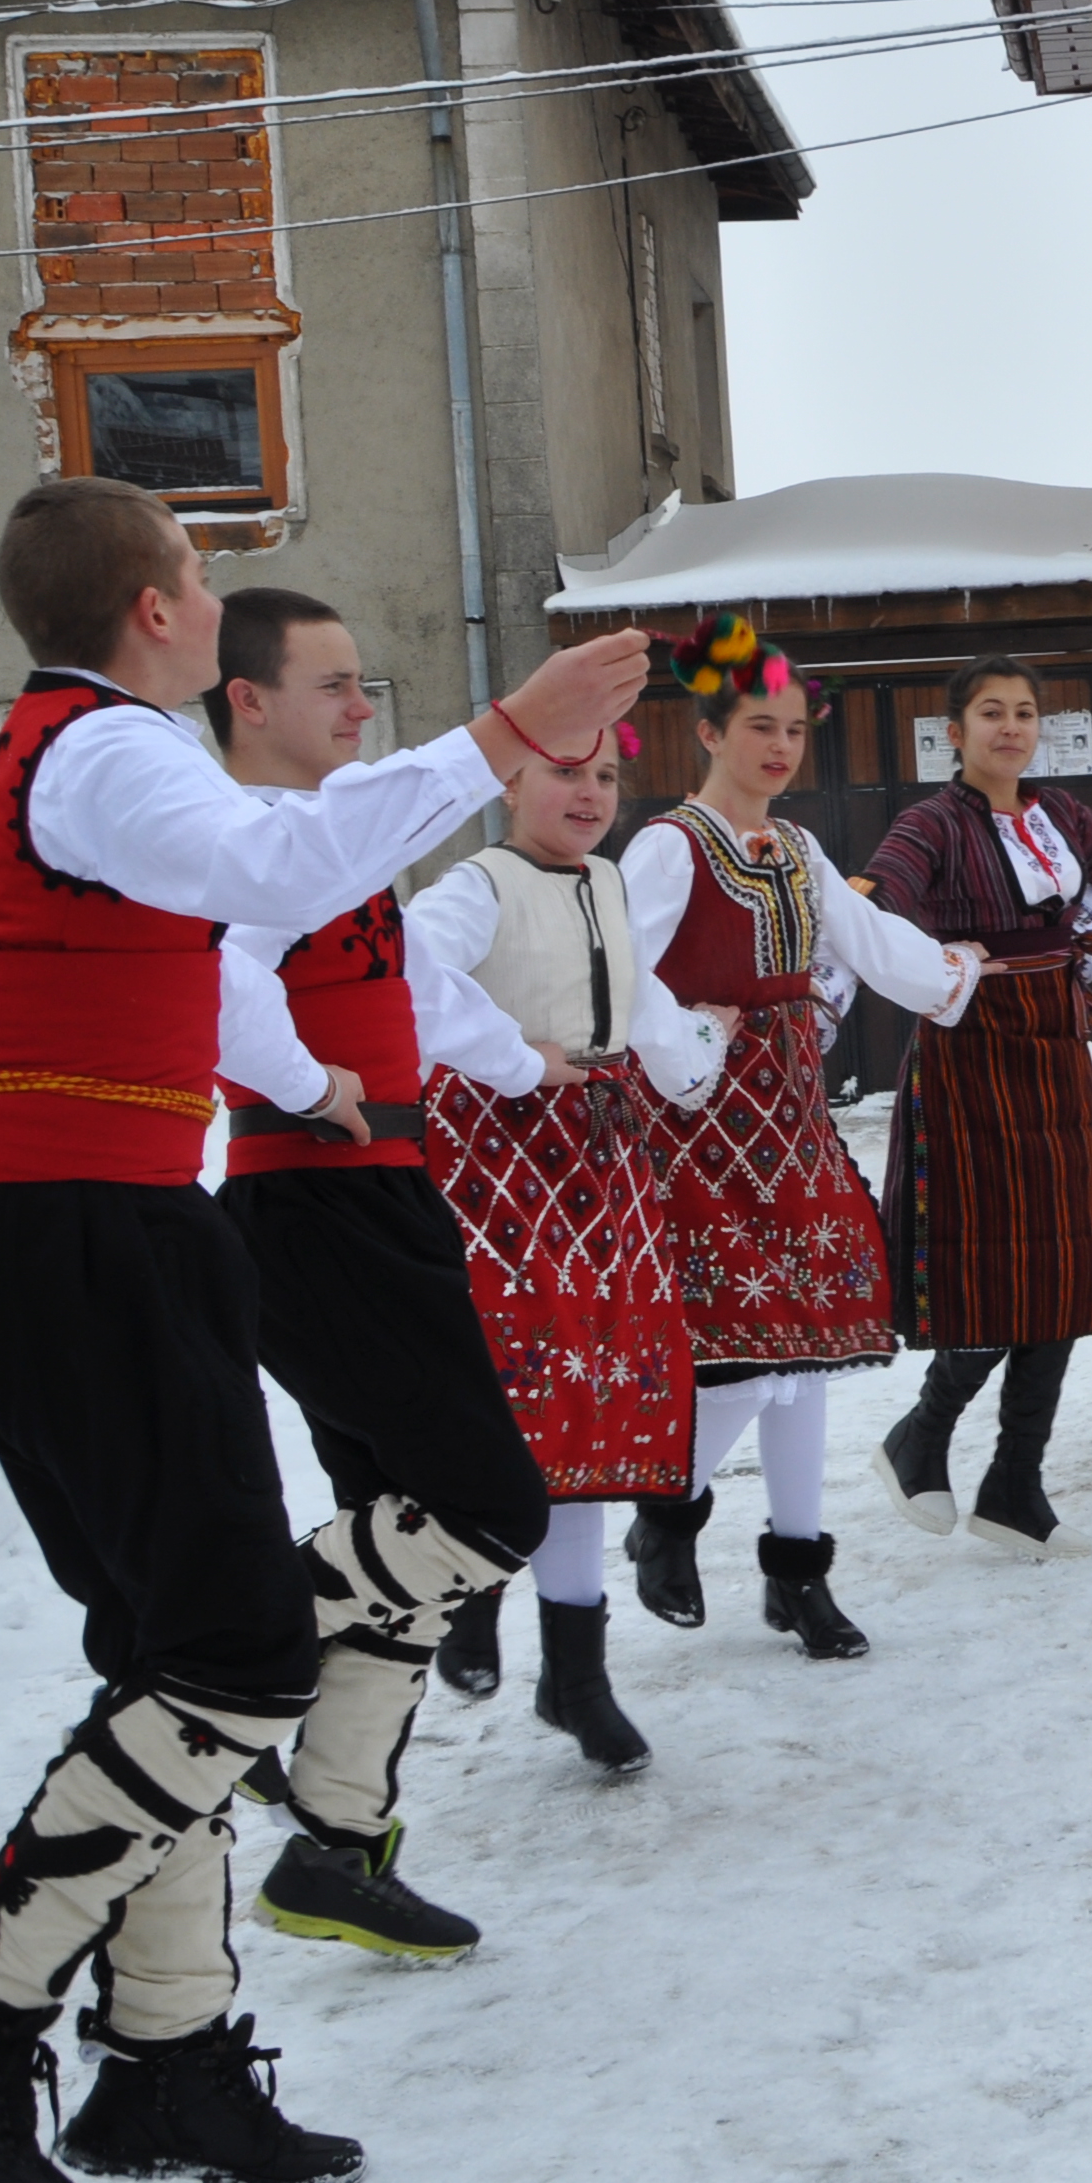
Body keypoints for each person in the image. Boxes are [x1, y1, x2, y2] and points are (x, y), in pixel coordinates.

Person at [0, 475, 645, 2183]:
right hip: (64, 1239)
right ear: (149, 608)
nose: (211, 595)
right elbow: (282, 867)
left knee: (174, 1656)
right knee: (233, 1654)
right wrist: (507, 733)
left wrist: (331, 1070)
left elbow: (224, 954)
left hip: (82, 1231)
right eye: (197, 570)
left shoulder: (100, 758)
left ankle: (167, 2053)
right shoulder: (101, 749)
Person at [195, 589, 563, 1963]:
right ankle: (223, 1644)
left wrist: (531, 1071)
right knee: (487, 1506)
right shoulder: (243, 849)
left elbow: (418, 1000)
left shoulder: (331, 852)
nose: (362, 709)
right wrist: (305, 1082)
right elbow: (216, 978)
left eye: (364, 685)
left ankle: (335, 1846)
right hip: (311, 1204)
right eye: (334, 686)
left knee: (404, 1534)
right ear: (248, 699)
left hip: (377, 1194)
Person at [623, 620, 982, 1660]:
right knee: (743, 1356)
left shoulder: (801, 848)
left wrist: (952, 973)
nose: (780, 746)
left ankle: (798, 1571)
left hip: (788, 1114)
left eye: (792, 728)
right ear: (707, 732)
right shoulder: (668, 845)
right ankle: (671, 1512)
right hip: (697, 1120)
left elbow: (868, 942)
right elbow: (621, 972)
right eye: (758, 726)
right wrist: (688, 1040)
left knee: (814, 1349)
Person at [404, 729, 726, 1777]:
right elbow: (405, 971)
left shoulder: (609, 885)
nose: (590, 793)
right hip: (496, 1163)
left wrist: (693, 1062)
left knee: (593, 1401)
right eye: (565, 773)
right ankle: (471, 1590)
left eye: (605, 776)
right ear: (507, 782)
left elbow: (645, 1004)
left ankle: (575, 1672)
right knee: (510, 1389)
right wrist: (506, 1057)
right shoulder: (477, 884)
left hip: (601, 1155)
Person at [860, 656, 1092, 1556]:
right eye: (992, 714)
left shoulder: (1061, 816)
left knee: (1062, 1270)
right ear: (956, 733)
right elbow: (882, 901)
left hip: (1057, 1061)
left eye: (1026, 713)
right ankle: (924, 1432)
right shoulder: (932, 826)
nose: (1012, 728)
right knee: (995, 1279)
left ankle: (1016, 1481)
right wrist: (928, 959)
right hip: (971, 1067)